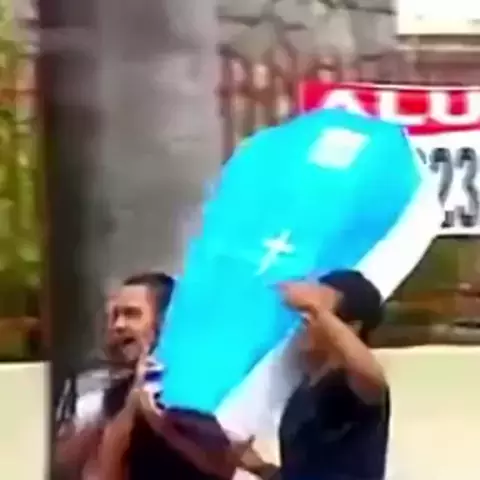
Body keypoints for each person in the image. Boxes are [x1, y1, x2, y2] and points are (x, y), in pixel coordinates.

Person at [242, 269, 390, 480]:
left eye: (316, 311)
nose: (304, 317)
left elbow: (371, 374)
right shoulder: (306, 388)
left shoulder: (356, 386)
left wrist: (316, 308)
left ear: (352, 328)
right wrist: (258, 466)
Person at [54, 271, 174, 479]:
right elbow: (66, 467)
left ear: (165, 322)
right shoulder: (100, 399)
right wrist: (130, 405)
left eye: (131, 314)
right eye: (115, 316)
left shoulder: (190, 394)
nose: (118, 325)